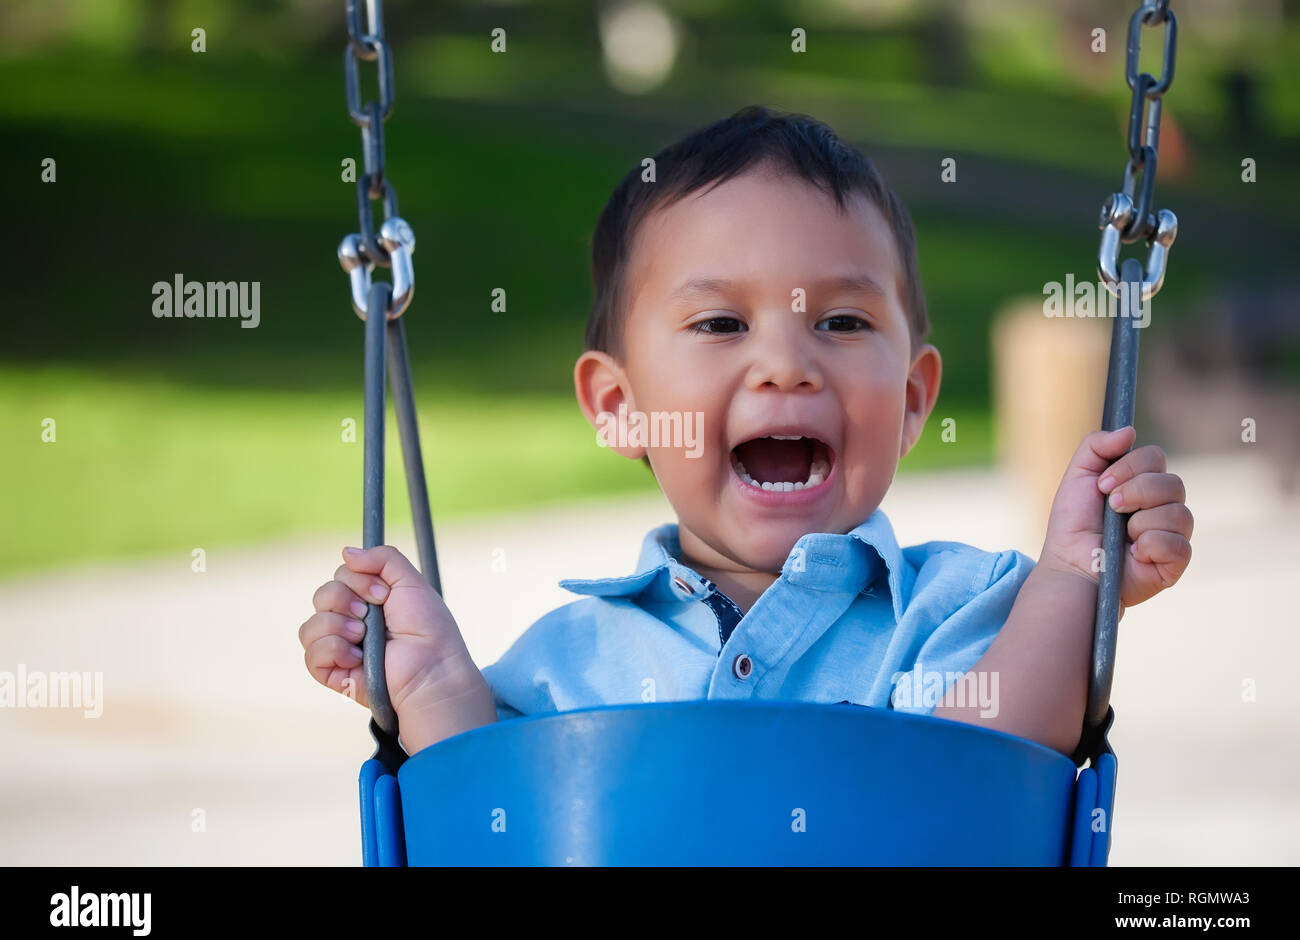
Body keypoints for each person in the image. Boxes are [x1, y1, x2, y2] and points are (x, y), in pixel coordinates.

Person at [298, 106, 1193, 759]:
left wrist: (1077, 580)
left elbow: (993, 769)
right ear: (619, 407)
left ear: (916, 398)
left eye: (842, 323)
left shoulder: (966, 611)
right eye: (721, 324)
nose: (786, 365)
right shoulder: (568, 665)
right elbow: (498, 825)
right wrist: (433, 687)